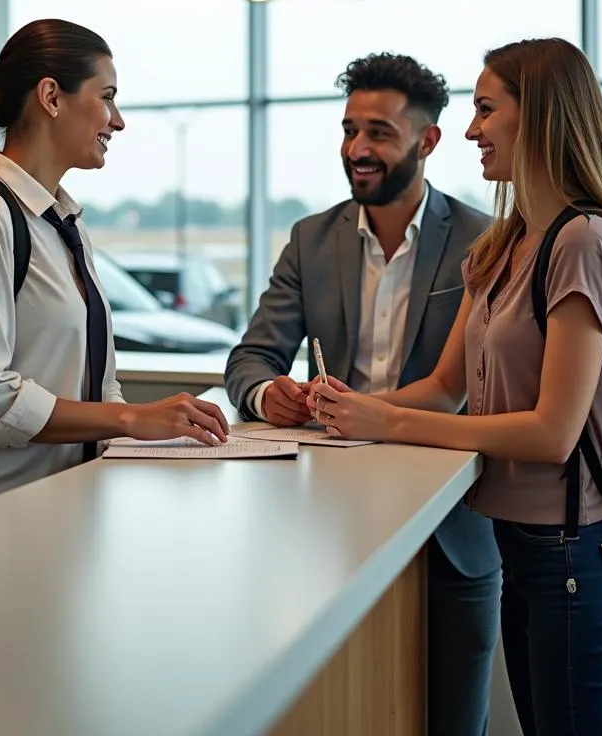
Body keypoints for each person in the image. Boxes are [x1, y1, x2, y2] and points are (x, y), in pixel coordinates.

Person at [311, 38, 602, 736]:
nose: (471, 130)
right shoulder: (506, 243)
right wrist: (347, 409)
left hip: (579, 558)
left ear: (541, 118)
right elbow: (442, 388)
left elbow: (551, 431)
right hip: (523, 549)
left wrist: (388, 424)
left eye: (485, 109)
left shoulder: (584, 240)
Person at [226, 53, 501, 736]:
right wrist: (269, 395)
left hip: (452, 529)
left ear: (427, 140)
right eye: (350, 130)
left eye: (378, 132)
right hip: (324, 528)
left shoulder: (485, 240)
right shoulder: (310, 239)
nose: (357, 149)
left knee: (452, 719)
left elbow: (488, 393)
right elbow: (252, 357)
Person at [0, 19, 228, 517]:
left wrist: (135, 436)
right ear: (52, 97)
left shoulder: (62, 221)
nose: (117, 120)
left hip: (64, 507)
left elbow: (95, 382)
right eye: (107, 97)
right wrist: (129, 419)